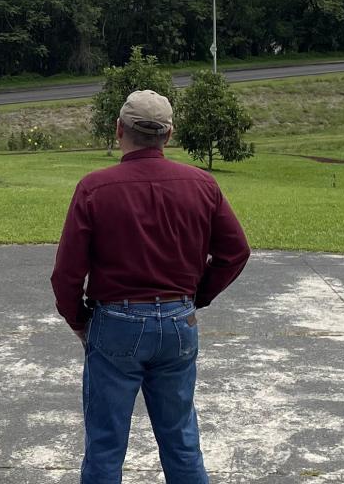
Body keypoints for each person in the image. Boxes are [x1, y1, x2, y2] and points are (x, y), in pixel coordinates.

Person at [50, 89, 251, 484]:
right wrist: (197, 296)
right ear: (169, 134)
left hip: (117, 321)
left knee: (106, 445)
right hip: (179, 320)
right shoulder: (201, 184)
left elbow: (67, 274)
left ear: (119, 130)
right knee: (181, 440)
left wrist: (77, 319)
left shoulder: (94, 187)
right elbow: (235, 252)